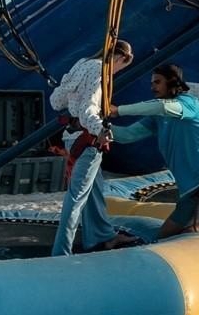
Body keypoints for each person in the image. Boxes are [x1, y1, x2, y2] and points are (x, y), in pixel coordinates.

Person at [109, 63, 199, 243]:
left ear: (171, 82)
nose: (152, 87)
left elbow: (164, 107)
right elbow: (127, 135)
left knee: (176, 233)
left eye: (157, 82)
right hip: (197, 189)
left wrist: (119, 110)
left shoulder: (189, 104)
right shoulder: (158, 117)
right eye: (152, 83)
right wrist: (98, 125)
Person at [49, 39, 140, 256]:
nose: (117, 71)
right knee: (77, 197)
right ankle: (61, 251)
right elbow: (88, 108)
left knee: (94, 190)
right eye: (122, 66)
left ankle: (102, 236)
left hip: (72, 137)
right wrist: (101, 130)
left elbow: (56, 101)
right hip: (87, 139)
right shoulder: (100, 70)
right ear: (120, 58)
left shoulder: (82, 63)